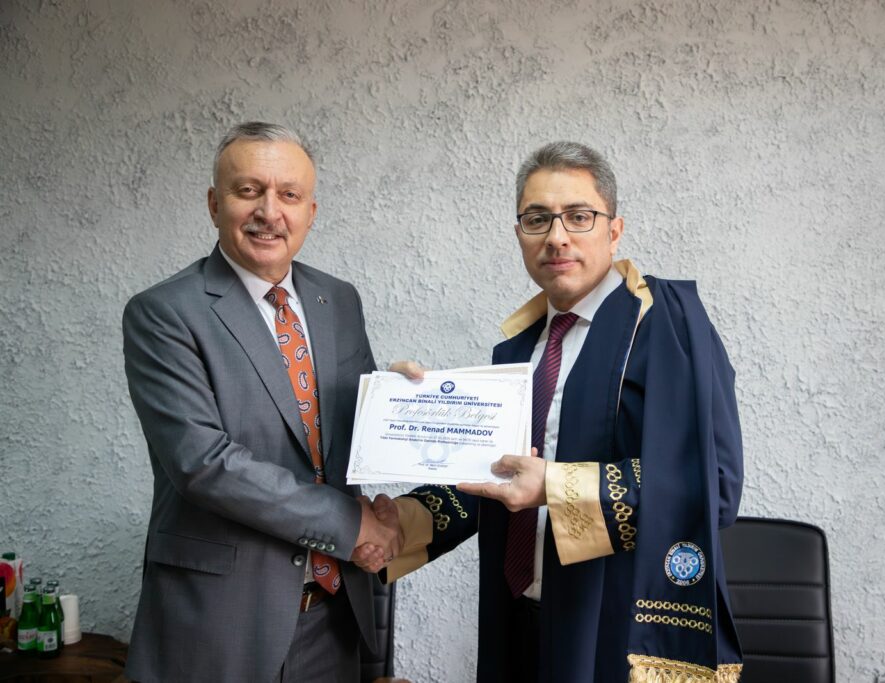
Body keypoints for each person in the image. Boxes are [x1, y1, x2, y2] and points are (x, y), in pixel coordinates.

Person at [360, 142, 744, 682]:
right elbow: (498, 482)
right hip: (515, 622)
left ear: (614, 230)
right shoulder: (517, 352)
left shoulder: (667, 329)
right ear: (519, 233)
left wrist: (556, 487)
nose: (556, 236)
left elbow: (713, 485)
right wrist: (403, 518)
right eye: (537, 219)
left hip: (616, 624)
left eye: (579, 217)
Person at [122, 121, 401, 682]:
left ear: (310, 212)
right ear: (214, 204)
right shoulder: (164, 313)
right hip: (222, 627)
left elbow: (355, 436)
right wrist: (352, 525)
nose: (269, 211)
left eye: (289, 195)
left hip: (336, 616)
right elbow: (204, 463)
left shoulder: (338, 300)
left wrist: (405, 400)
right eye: (248, 190)